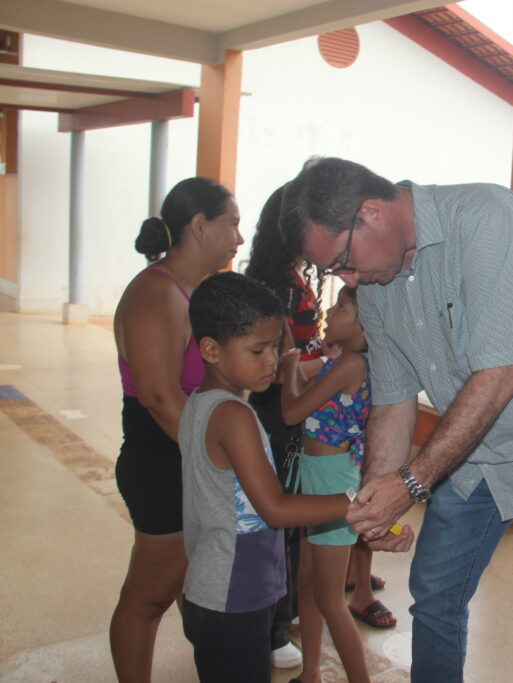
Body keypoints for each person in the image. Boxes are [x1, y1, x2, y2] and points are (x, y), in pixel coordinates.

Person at [278, 157, 513, 681]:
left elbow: (499, 378)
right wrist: (380, 495)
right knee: (434, 599)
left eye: (342, 263)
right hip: (477, 451)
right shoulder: (377, 286)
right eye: (334, 272)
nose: (348, 280)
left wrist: (410, 482)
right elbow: (394, 398)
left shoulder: (486, 219)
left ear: (372, 213)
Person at [179, 272, 407, 682]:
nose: (272, 359)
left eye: (275, 347)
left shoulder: (200, 403)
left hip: (215, 586)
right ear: (211, 350)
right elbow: (276, 508)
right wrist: (361, 506)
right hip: (235, 592)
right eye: (258, 349)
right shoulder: (233, 417)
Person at [110, 177, 242, 682]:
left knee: (193, 587)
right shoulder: (155, 294)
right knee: (148, 597)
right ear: (199, 225)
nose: (239, 237)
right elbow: (160, 398)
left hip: (185, 455)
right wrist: (221, 459)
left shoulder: (194, 292)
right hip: (162, 460)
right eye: (232, 223)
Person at [279, 286, 383, 683]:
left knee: (329, 597)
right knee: (307, 585)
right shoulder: (340, 360)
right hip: (316, 474)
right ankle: (310, 673)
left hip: (332, 480)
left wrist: (290, 366)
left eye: (341, 307)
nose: (329, 310)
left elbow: (291, 412)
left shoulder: (351, 365)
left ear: (364, 324)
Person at [245, 185, 324, 670]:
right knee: (277, 519)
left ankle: (280, 615)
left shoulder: (284, 275)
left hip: (285, 407)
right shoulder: (279, 284)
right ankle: (272, 629)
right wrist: (332, 367)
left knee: (286, 521)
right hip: (276, 411)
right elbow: (279, 364)